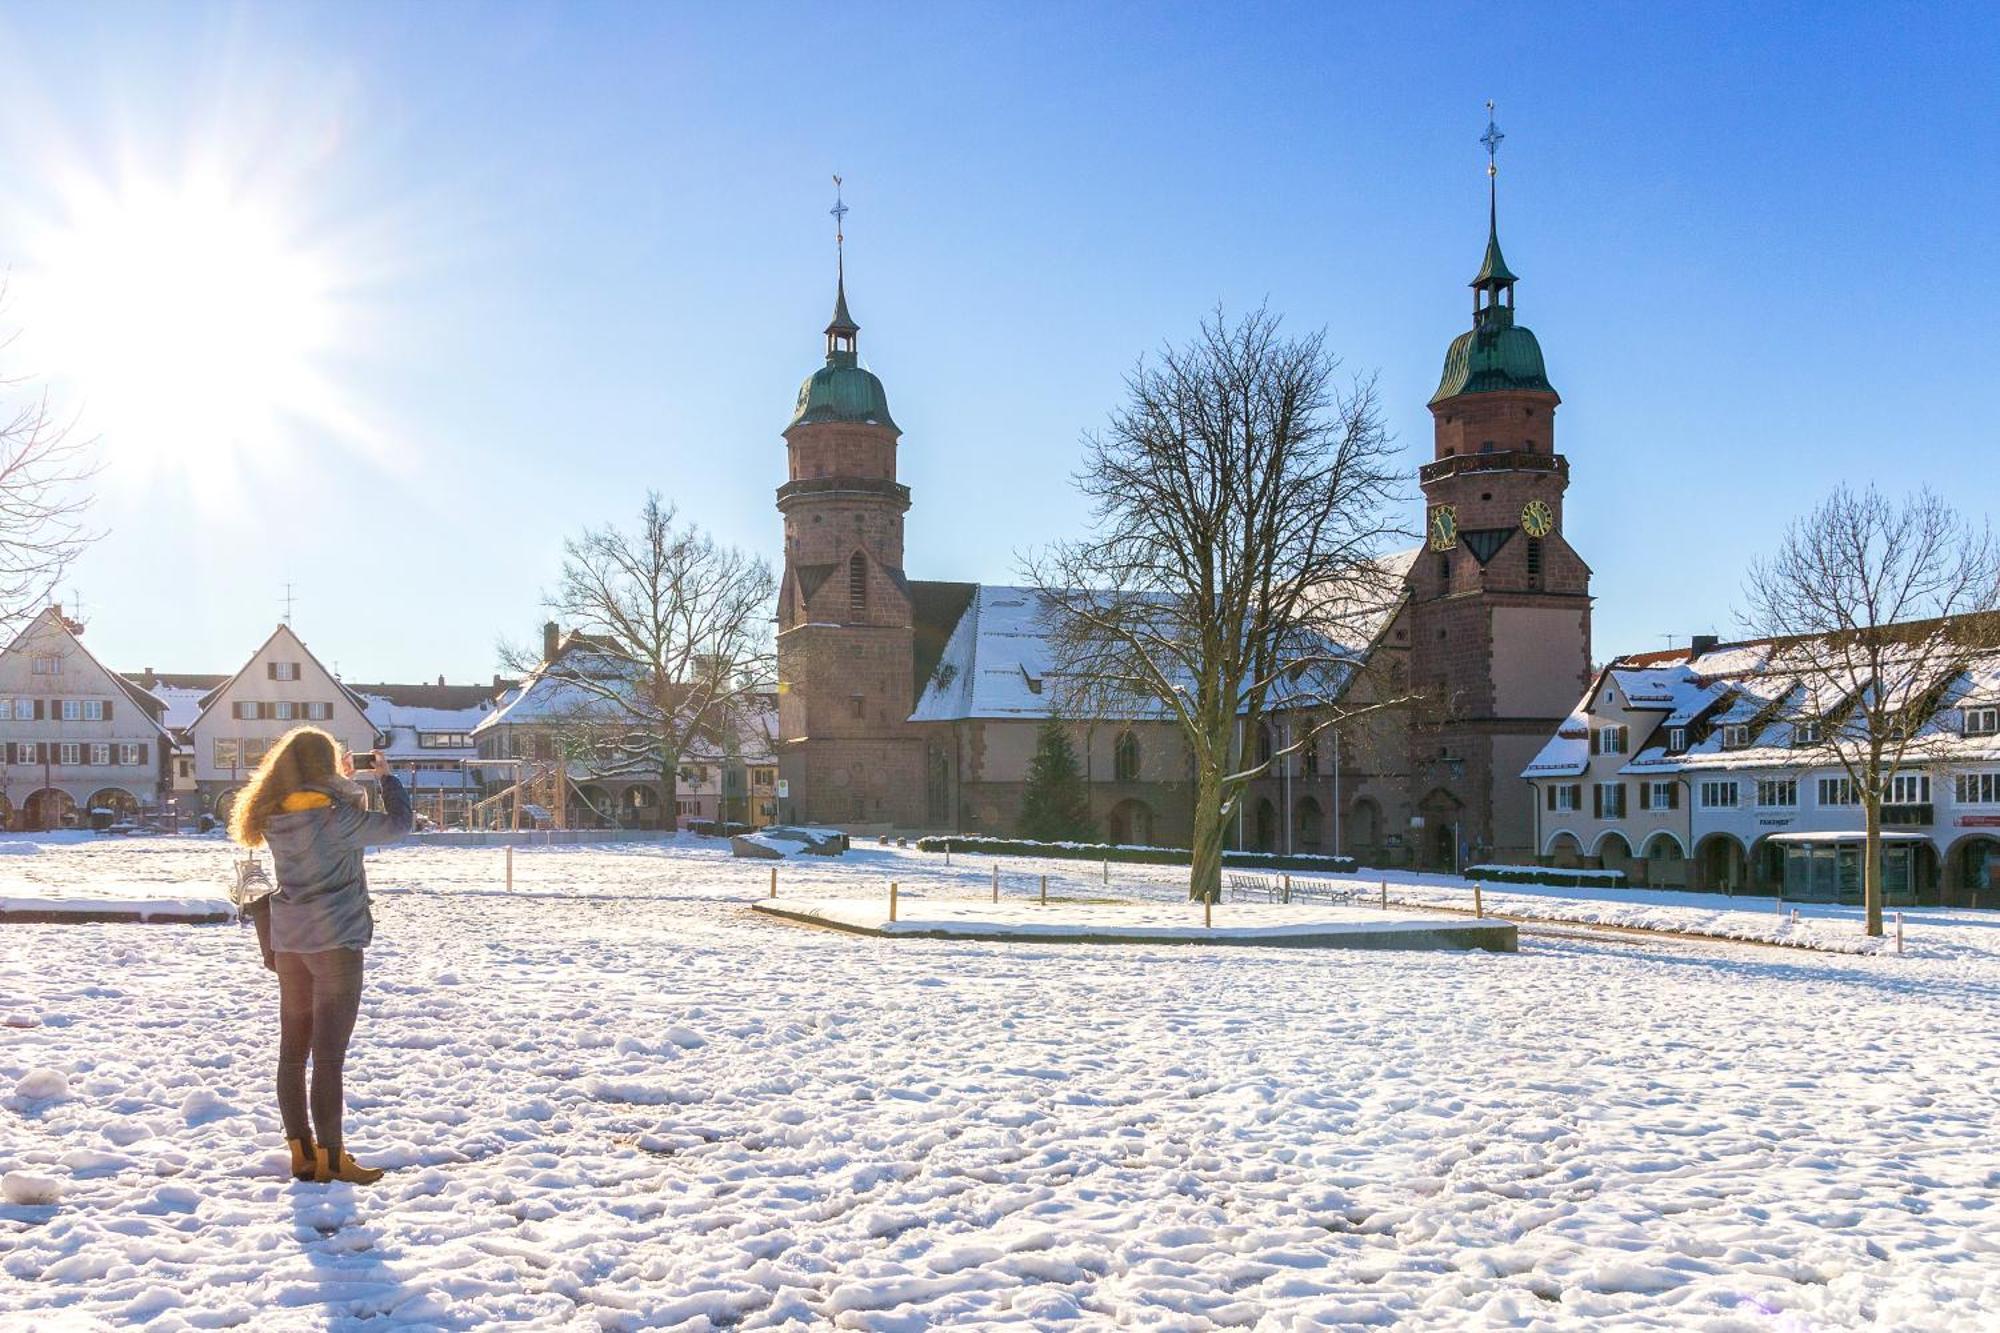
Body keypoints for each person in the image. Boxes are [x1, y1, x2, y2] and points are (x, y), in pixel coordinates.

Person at [229, 726, 412, 1185]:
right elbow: (398, 826)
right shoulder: (336, 817)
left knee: (292, 1054)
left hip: (289, 943)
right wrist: (385, 780)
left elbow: (339, 829)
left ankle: (301, 1153)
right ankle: (333, 1158)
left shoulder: (272, 814)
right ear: (326, 766)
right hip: (335, 943)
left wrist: (345, 790)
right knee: (329, 1057)